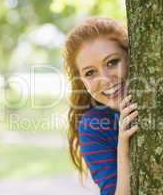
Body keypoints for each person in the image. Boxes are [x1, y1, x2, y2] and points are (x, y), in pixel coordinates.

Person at [63, 17, 139, 195]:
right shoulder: (93, 126)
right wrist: (123, 147)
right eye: (90, 72)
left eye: (112, 62)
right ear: (82, 81)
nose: (104, 79)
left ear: (130, 56)